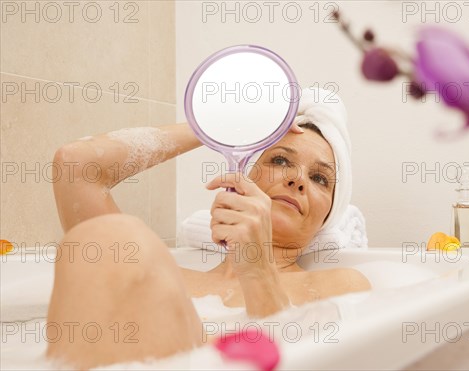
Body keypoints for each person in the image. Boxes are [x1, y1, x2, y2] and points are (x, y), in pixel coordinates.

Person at [45, 88, 371, 369]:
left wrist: (256, 266)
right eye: (280, 161)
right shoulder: (163, 279)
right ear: (241, 174)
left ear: (329, 213)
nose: (298, 179)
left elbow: (306, 364)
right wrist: (217, 128)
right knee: (109, 242)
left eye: (319, 179)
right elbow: (76, 165)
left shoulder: (339, 286)